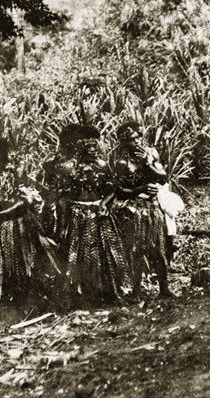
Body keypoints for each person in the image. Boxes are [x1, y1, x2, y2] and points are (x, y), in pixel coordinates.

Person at [0, 135, 58, 300]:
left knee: (21, 261)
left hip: (16, 222)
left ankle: (24, 292)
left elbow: (21, 203)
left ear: (4, 155)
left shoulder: (17, 172)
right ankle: (0, 291)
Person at [63, 125, 131, 301]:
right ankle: (80, 294)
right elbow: (62, 192)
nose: (92, 150)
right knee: (77, 253)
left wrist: (103, 203)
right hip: (77, 212)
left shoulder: (103, 166)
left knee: (103, 252)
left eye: (95, 146)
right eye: (88, 147)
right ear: (80, 147)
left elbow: (113, 189)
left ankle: (104, 291)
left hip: (97, 212)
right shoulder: (71, 167)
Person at [113, 122, 175, 298]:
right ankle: (136, 290)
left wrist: (148, 164)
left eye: (139, 137)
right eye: (133, 139)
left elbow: (163, 178)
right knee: (136, 249)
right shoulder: (123, 163)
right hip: (134, 209)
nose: (138, 141)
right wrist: (139, 190)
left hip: (153, 207)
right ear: (124, 142)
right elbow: (119, 191)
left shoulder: (151, 154)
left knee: (159, 248)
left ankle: (164, 289)